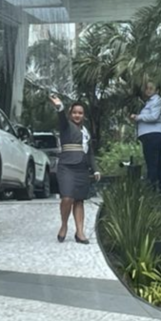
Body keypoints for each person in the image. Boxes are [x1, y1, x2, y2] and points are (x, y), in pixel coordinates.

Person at [48, 94, 100, 244]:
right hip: (67, 167)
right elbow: (61, 118)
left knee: (79, 200)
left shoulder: (86, 132)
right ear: (71, 114)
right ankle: (64, 225)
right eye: (75, 112)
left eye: (80, 113)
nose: (77, 115)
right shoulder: (66, 126)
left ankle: (80, 232)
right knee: (67, 198)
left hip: (82, 168)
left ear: (83, 115)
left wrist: (95, 169)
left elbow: (90, 153)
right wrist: (59, 107)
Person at [131, 82, 161, 193]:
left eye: (151, 88)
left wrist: (138, 117)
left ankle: (152, 189)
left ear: (157, 90)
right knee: (157, 162)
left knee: (152, 163)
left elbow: (154, 116)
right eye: (147, 88)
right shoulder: (149, 102)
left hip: (153, 134)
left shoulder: (157, 100)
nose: (148, 90)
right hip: (150, 135)